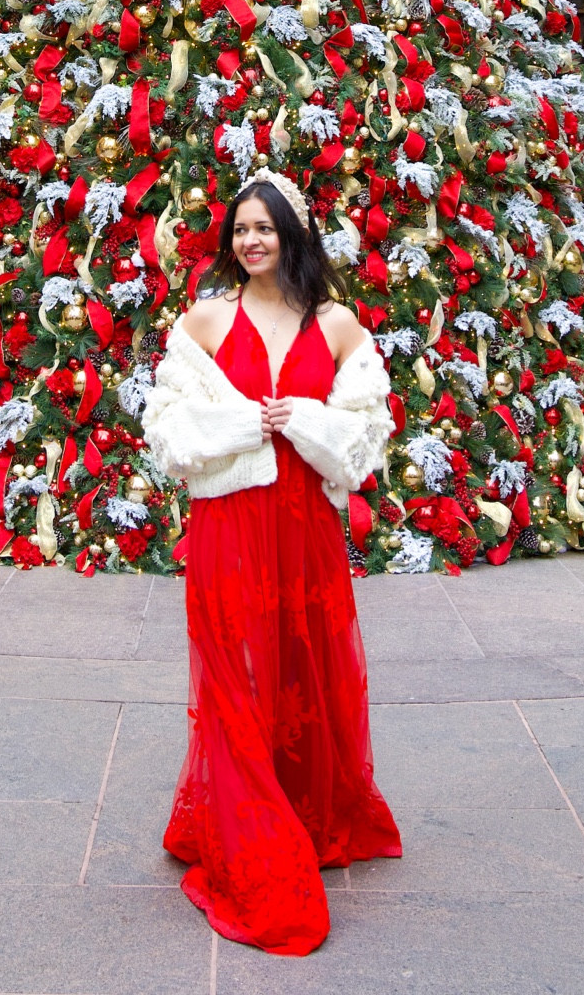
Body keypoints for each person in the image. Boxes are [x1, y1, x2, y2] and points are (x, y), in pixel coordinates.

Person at [143, 169, 401, 955]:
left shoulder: (339, 326)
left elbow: (368, 435)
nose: (252, 241)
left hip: (306, 531)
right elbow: (166, 428)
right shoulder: (205, 322)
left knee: (303, 669)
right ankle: (254, 842)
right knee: (233, 680)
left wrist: (311, 420)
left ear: (293, 234)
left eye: (266, 227)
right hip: (232, 524)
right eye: (242, 229)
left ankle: (305, 811)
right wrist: (239, 428)